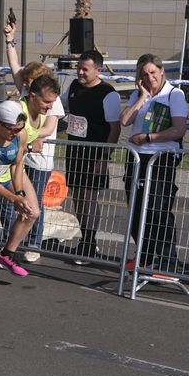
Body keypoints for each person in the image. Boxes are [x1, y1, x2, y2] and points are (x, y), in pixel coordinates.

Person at [122, 54, 189, 276]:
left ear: (162, 71)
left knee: (158, 210)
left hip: (160, 158)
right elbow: (124, 120)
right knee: (136, 208)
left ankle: (168, 261)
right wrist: (142, 97)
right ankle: (145, 255)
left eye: (153, 72)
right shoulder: (137, 94)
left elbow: (178, 129)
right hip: (137, 158)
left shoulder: (174, 95)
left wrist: (150, 138)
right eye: (144, 74)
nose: (150, 77)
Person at [61, 50, 121, 260]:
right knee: (77, 196)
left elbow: (115, 129)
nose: (80, 73)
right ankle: (85, 238)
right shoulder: (74, 87)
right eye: (78, 68)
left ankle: (89, 241)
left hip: (94, 154)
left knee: (89, 197)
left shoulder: (108, 93)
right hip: (74, 150)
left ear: (98, 70)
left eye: (85, 69)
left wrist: (105, 157)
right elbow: (61, 107)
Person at [0, 100, 39, 276]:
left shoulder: (20, 135)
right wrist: (14, 198)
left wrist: (20, 193)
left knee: (32, 211)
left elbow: (17, 163)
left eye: (19, 129)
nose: (16, 133)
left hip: (8, 175)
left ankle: (7, 253)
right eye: (12, 129)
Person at [13, 72, 63, 261]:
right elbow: (2, 141)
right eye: (47, 102)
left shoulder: (42, 116)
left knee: (33, 210)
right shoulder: (17, 109)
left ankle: (11, 250)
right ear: (33, 96)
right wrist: (28, 146)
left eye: (53, 103)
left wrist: (27, 147)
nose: (50, 107)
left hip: (18, 166)